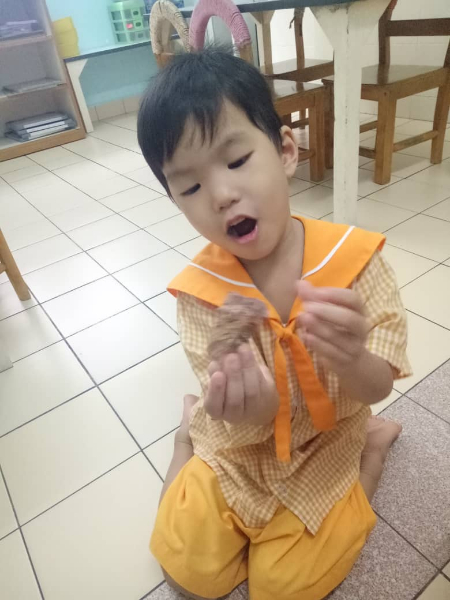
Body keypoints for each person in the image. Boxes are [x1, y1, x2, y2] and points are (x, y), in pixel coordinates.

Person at [137, 49, 411, 600]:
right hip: (238, 448)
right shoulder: (200, 294)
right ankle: (186, 436)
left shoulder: (353, 263)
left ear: (286, 150)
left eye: (237, 160)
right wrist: (250, 405)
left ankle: (373, 448)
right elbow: (243, 415)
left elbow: (378, 383)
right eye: (190, 188)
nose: (221, 195)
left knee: (284, 589)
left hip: (325, 443)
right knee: (186, 574)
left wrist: (353, 358)